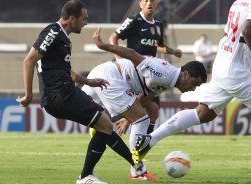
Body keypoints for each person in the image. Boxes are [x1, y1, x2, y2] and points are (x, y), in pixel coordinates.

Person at [16, 1, 145, 183]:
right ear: (71, 19)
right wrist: (29, 96)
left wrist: (88, 81)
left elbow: (65, 71)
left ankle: (133, 167)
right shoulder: (53, 31)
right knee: (105, 123)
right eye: (84, 19)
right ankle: (91, 175)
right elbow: (29, 61)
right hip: (60, 94)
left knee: (104, 123)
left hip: (64, 92)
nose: (86, 23)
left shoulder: (63, 38)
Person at [132, 0, 251, 164]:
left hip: (223, 64)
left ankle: (150, 139)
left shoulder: (239, 2)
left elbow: (226, 35)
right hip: (239, 71)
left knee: (203, 113)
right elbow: (247, 29)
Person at [87, 27, 207, 171]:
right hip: (111, 77)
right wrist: (102, 46)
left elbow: (145, 98)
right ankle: (137, 170)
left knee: (79, 110)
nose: (193, 89)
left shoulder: (169, 80)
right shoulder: (163, 73)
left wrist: (127, 119)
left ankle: (99, 125)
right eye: (194, 83)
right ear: (186, 74)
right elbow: (132, 54)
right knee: (142, 120)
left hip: (109, 77)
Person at [109, 0, 182, 135]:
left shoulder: (159, 24)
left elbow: (158, 45)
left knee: (153, 110)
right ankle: (105, 123)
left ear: (157, 4)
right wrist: (119, 59)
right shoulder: (134, 20)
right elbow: (113, 38)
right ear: (140, 3)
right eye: (146, 0)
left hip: (150, 72)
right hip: (134, 71)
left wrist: (172, 51)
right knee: (134, 107)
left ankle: (143, 143)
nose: (149, 3)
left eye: (152, 1)